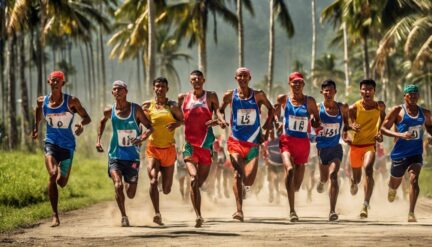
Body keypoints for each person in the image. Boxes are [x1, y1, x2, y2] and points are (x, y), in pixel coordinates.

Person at [32, 71, 91, 227]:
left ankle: (59, 174)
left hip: (67, 146)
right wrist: (36, 127)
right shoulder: (42, 101)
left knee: (61, 182)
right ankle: (55, 215)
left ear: (63, 84)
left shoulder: (71, 101)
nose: (55, 83)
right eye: (53, 80)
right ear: (48, 82)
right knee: (52, 174)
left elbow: (87, 117)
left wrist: (80, 125)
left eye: (58, 80)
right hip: (51, 143)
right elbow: (38, 109)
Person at [219, 67, 274, 222]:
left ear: (250, 77)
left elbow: (272, 110)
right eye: (239, 76)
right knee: (238, 173)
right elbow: (220, 109)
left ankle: (245, 188)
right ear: (235, 78)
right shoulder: (230, 95)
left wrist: (267, 126)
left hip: (253, 142)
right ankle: (239, 211)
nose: (242, 78)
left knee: (248, 180)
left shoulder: (258, 95)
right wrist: (221, 119)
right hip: (235, 141)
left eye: (245, 76)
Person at [96, 80, 153, 227]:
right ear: (112, 93)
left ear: (126, 92)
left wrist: (142, 137)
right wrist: (98, 140)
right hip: (115, 155)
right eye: (115, 89)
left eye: (121, 89)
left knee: (131, 193)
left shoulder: (136, 109)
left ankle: (129, 187)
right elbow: (102, 122)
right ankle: (123, 216)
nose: (118, 91)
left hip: (132, 157)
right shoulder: (109, 111)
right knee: (118, 185)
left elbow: (149, 127)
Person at [178, 70, 224, 227]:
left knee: (199, 183)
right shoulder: (183, 98)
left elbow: (218, 111)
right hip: (189, 146)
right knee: (193, 179)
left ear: (204, 80)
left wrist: (220, 120)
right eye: (193, 79)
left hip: (206, 146)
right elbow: (179, 117)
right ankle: (198, 215)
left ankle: (195, 199)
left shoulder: (210, 96)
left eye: (198, 79)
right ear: (190, 81)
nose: (196, 81)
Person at [380, 84, 432, 222]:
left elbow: (429, 127)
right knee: (394, 184)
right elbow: (383, 129)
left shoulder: (425, 113)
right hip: (399, 154)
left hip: (416, 153)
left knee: (414, 180)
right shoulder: (398, 110)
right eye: (410, 94)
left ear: (418, 96)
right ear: (405, 96)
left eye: (415, 94)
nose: (413, 96)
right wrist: (400, 134)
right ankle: (391, 189)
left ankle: (411, 212)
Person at [274, 71, 321, 222]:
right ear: (290, 84)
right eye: (294, 82)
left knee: (297, 185)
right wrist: (277, 121)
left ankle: (290, 190)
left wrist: (314, 122)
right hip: (287, 140)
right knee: (289, 169)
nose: (297, 85)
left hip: (302, 143)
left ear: (303, 84)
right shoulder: (283, 99)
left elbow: (317, 120)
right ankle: (292, 211)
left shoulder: (310, 101)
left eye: (300, 82)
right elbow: (274, 112)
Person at [142, 77, 183, 225]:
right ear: (154, 88)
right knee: (152, 180)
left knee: (166, 189)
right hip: (153, 148)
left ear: (167, 89)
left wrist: (176, 124)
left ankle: (161, 180)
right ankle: (157, 213)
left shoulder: (172, 106)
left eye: (162, 86)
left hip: (169, 149)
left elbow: (182, 120)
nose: (160, 89)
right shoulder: (148, 106)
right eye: (157, 86)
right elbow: (142, 122)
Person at [348, 79, 386, 219]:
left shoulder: (380, 106)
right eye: (364, 89)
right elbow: (349, 125)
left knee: (368, 169)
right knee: (357, 179)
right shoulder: (354, 108)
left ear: (374, 91)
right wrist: (352, 126)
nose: (367, 92)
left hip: (370, 145)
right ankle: (353, 181)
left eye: (370, 89)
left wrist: (380, 132)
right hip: (355, 146)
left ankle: (365, 204)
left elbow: (384, 119)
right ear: (360, 91)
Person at [314, 80, 350, 221]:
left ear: (335, 92)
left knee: (333, 175)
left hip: (336, 147)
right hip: (322, 149)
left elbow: (346, 124)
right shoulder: (317, 108)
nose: (328, 93)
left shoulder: (342, 108)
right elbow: (311, 123)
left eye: (331, 90)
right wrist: (314, 124)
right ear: (322, 92)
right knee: (324, 178)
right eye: (325, 91)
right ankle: (321, 182)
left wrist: (348, 133)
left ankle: (332, 210)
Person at [263, 129, 284, 204]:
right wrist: (266, 159)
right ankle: (271, 194)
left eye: (271, 133)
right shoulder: (267, 143)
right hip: (271, 164)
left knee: (279, 181)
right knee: (272, 180)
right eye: (269, 133)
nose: (270, 135)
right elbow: (264, 152)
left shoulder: (280, 141)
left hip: (280, 165)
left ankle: (278, 195)